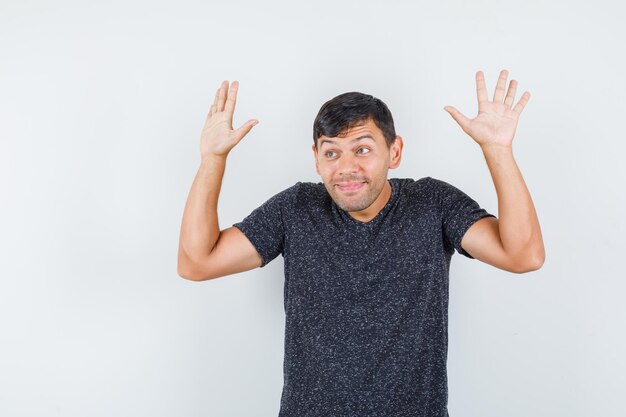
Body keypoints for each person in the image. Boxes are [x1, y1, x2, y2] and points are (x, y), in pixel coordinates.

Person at [177, 69, 545, 417]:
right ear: (317, 159)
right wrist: (212, 159)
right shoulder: (295, 208)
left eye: (363, 149)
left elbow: (522, 255)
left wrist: (498, 150)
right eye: (331, 152)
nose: (345, 167)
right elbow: (197, 262)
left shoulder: (433, 203)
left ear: (394, 152)